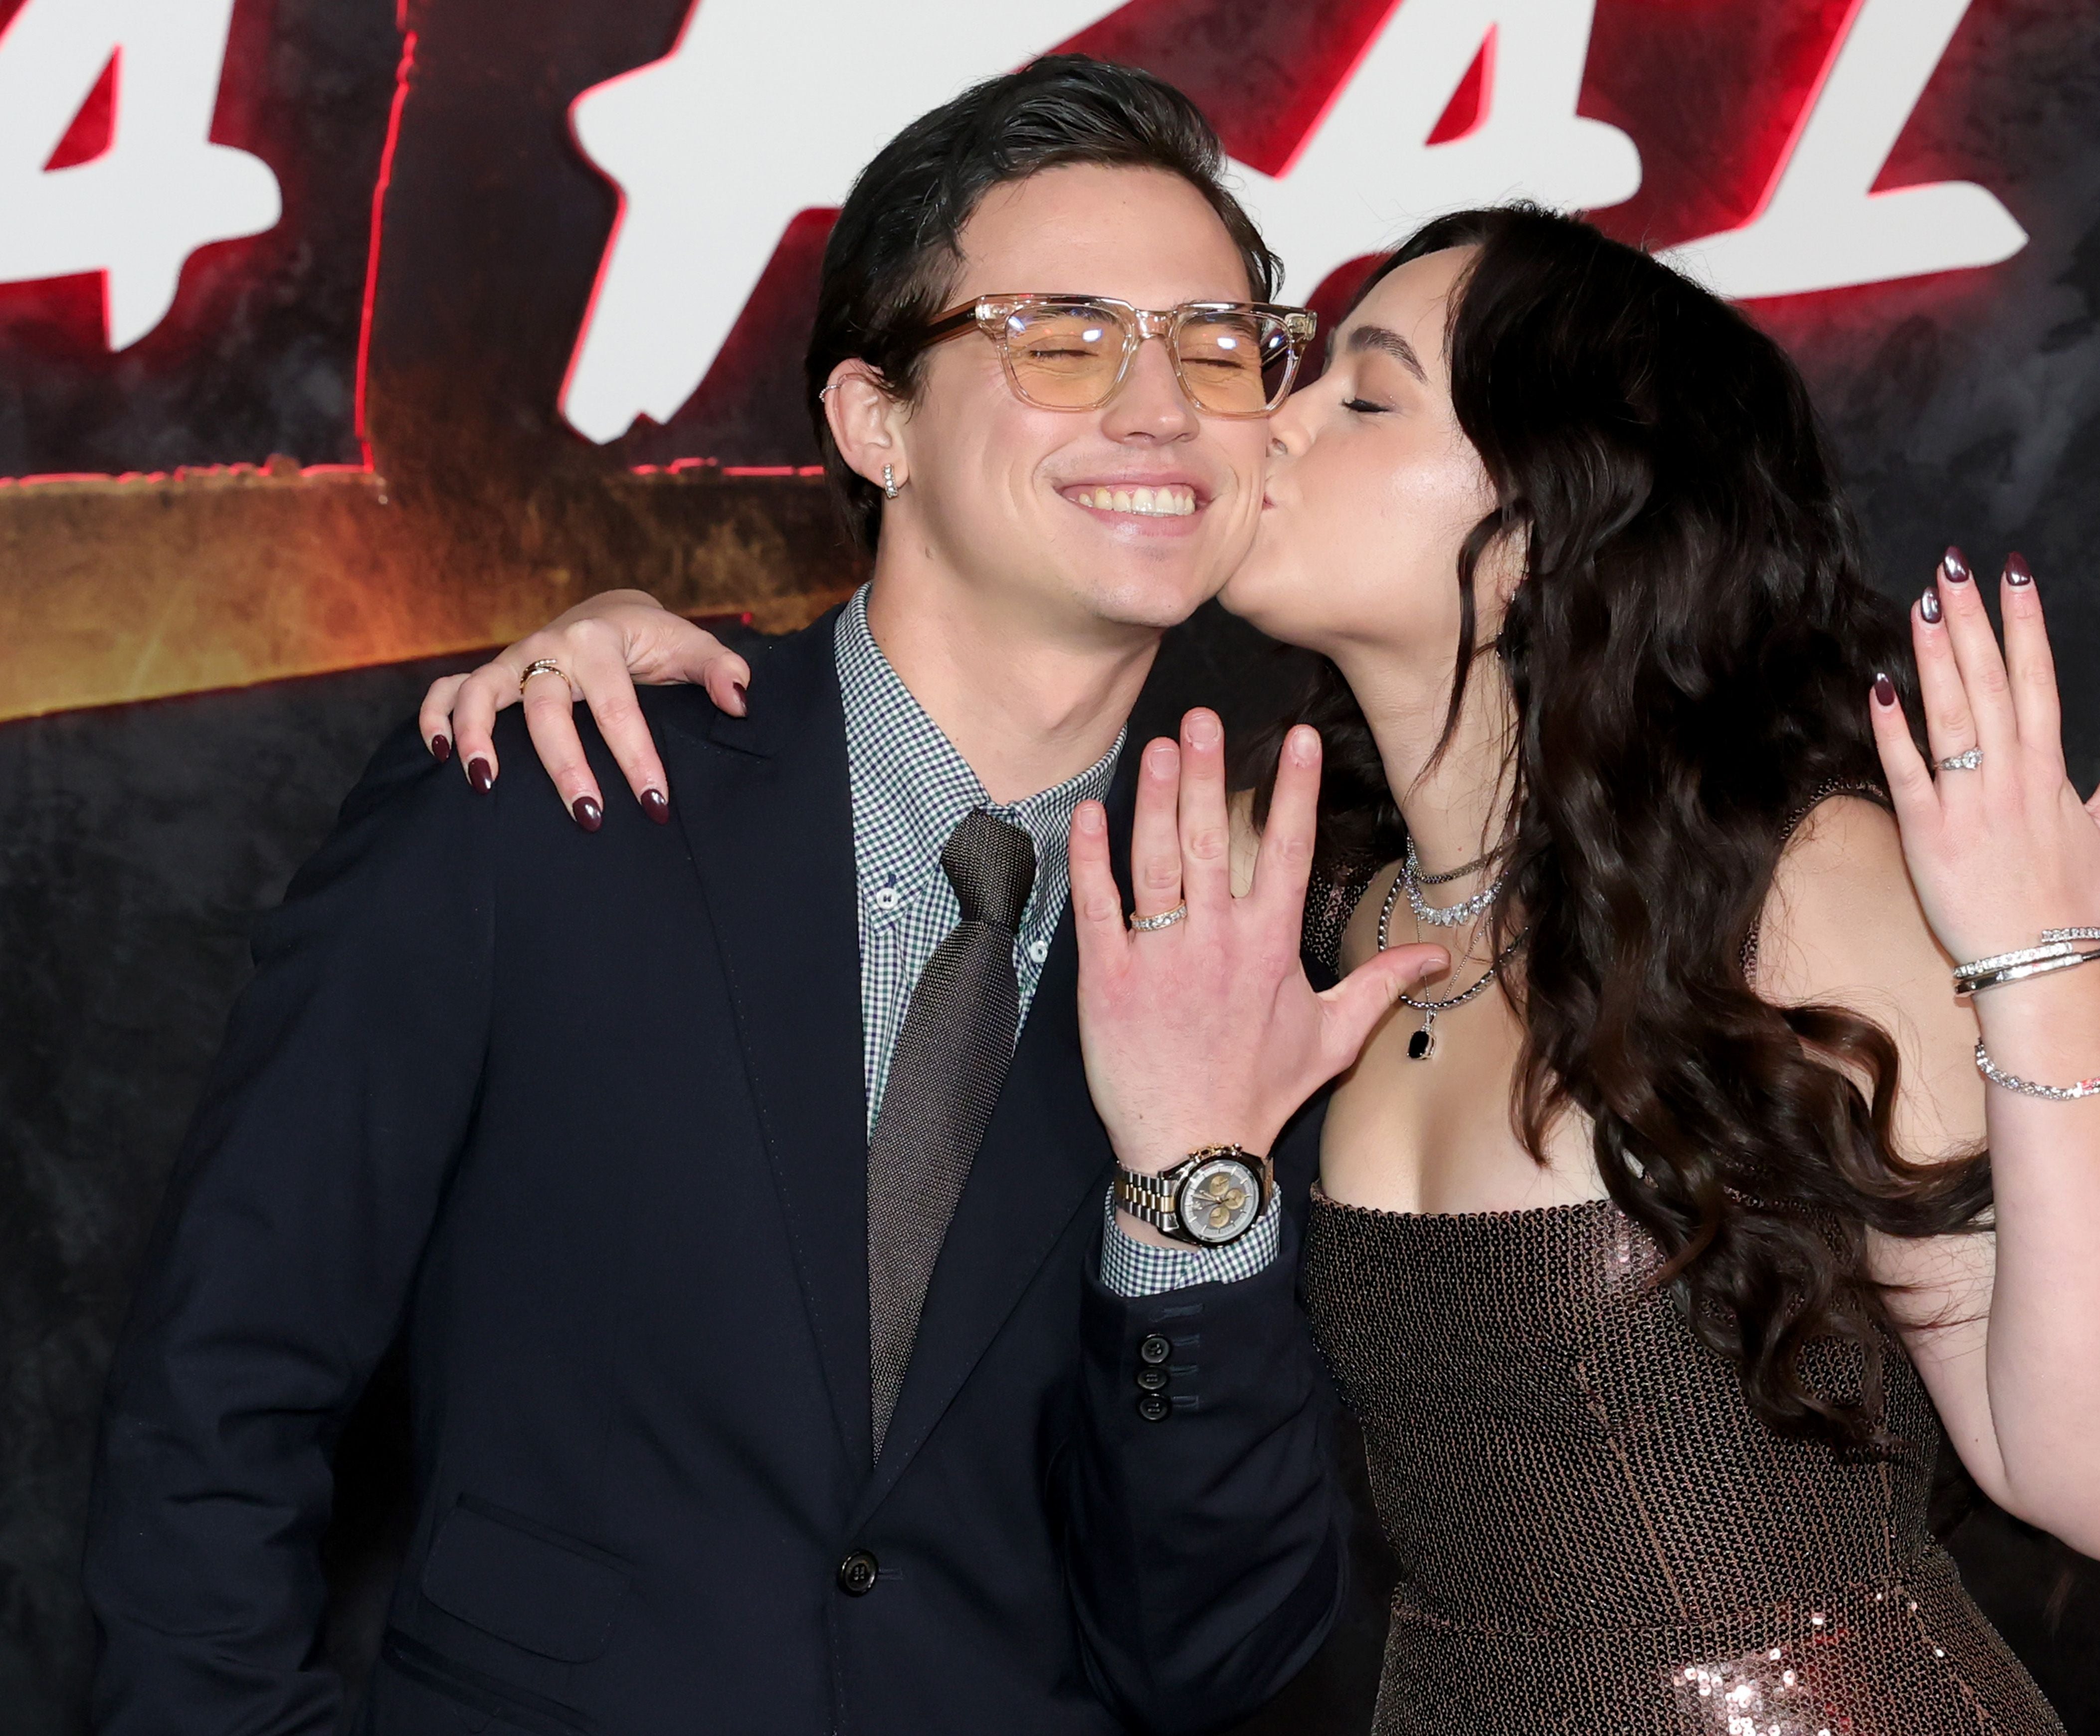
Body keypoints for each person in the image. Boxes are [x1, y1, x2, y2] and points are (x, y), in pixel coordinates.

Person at [446, 206, 2100, 1733]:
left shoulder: (1800, 884)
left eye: (1361, 393)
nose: (1267, 425)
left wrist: (2039, 962)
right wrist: (617, 645)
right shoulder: (1294, 911)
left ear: (1541, 525)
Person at [83, 58, 1447, 1736]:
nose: (1160, 407)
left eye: (1221, 346)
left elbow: (1211, 1653)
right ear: (877, 419)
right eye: (1064, 338)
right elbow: (217, 1397)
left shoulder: (1265, 942)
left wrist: (1189, 1195)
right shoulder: (555, 786)